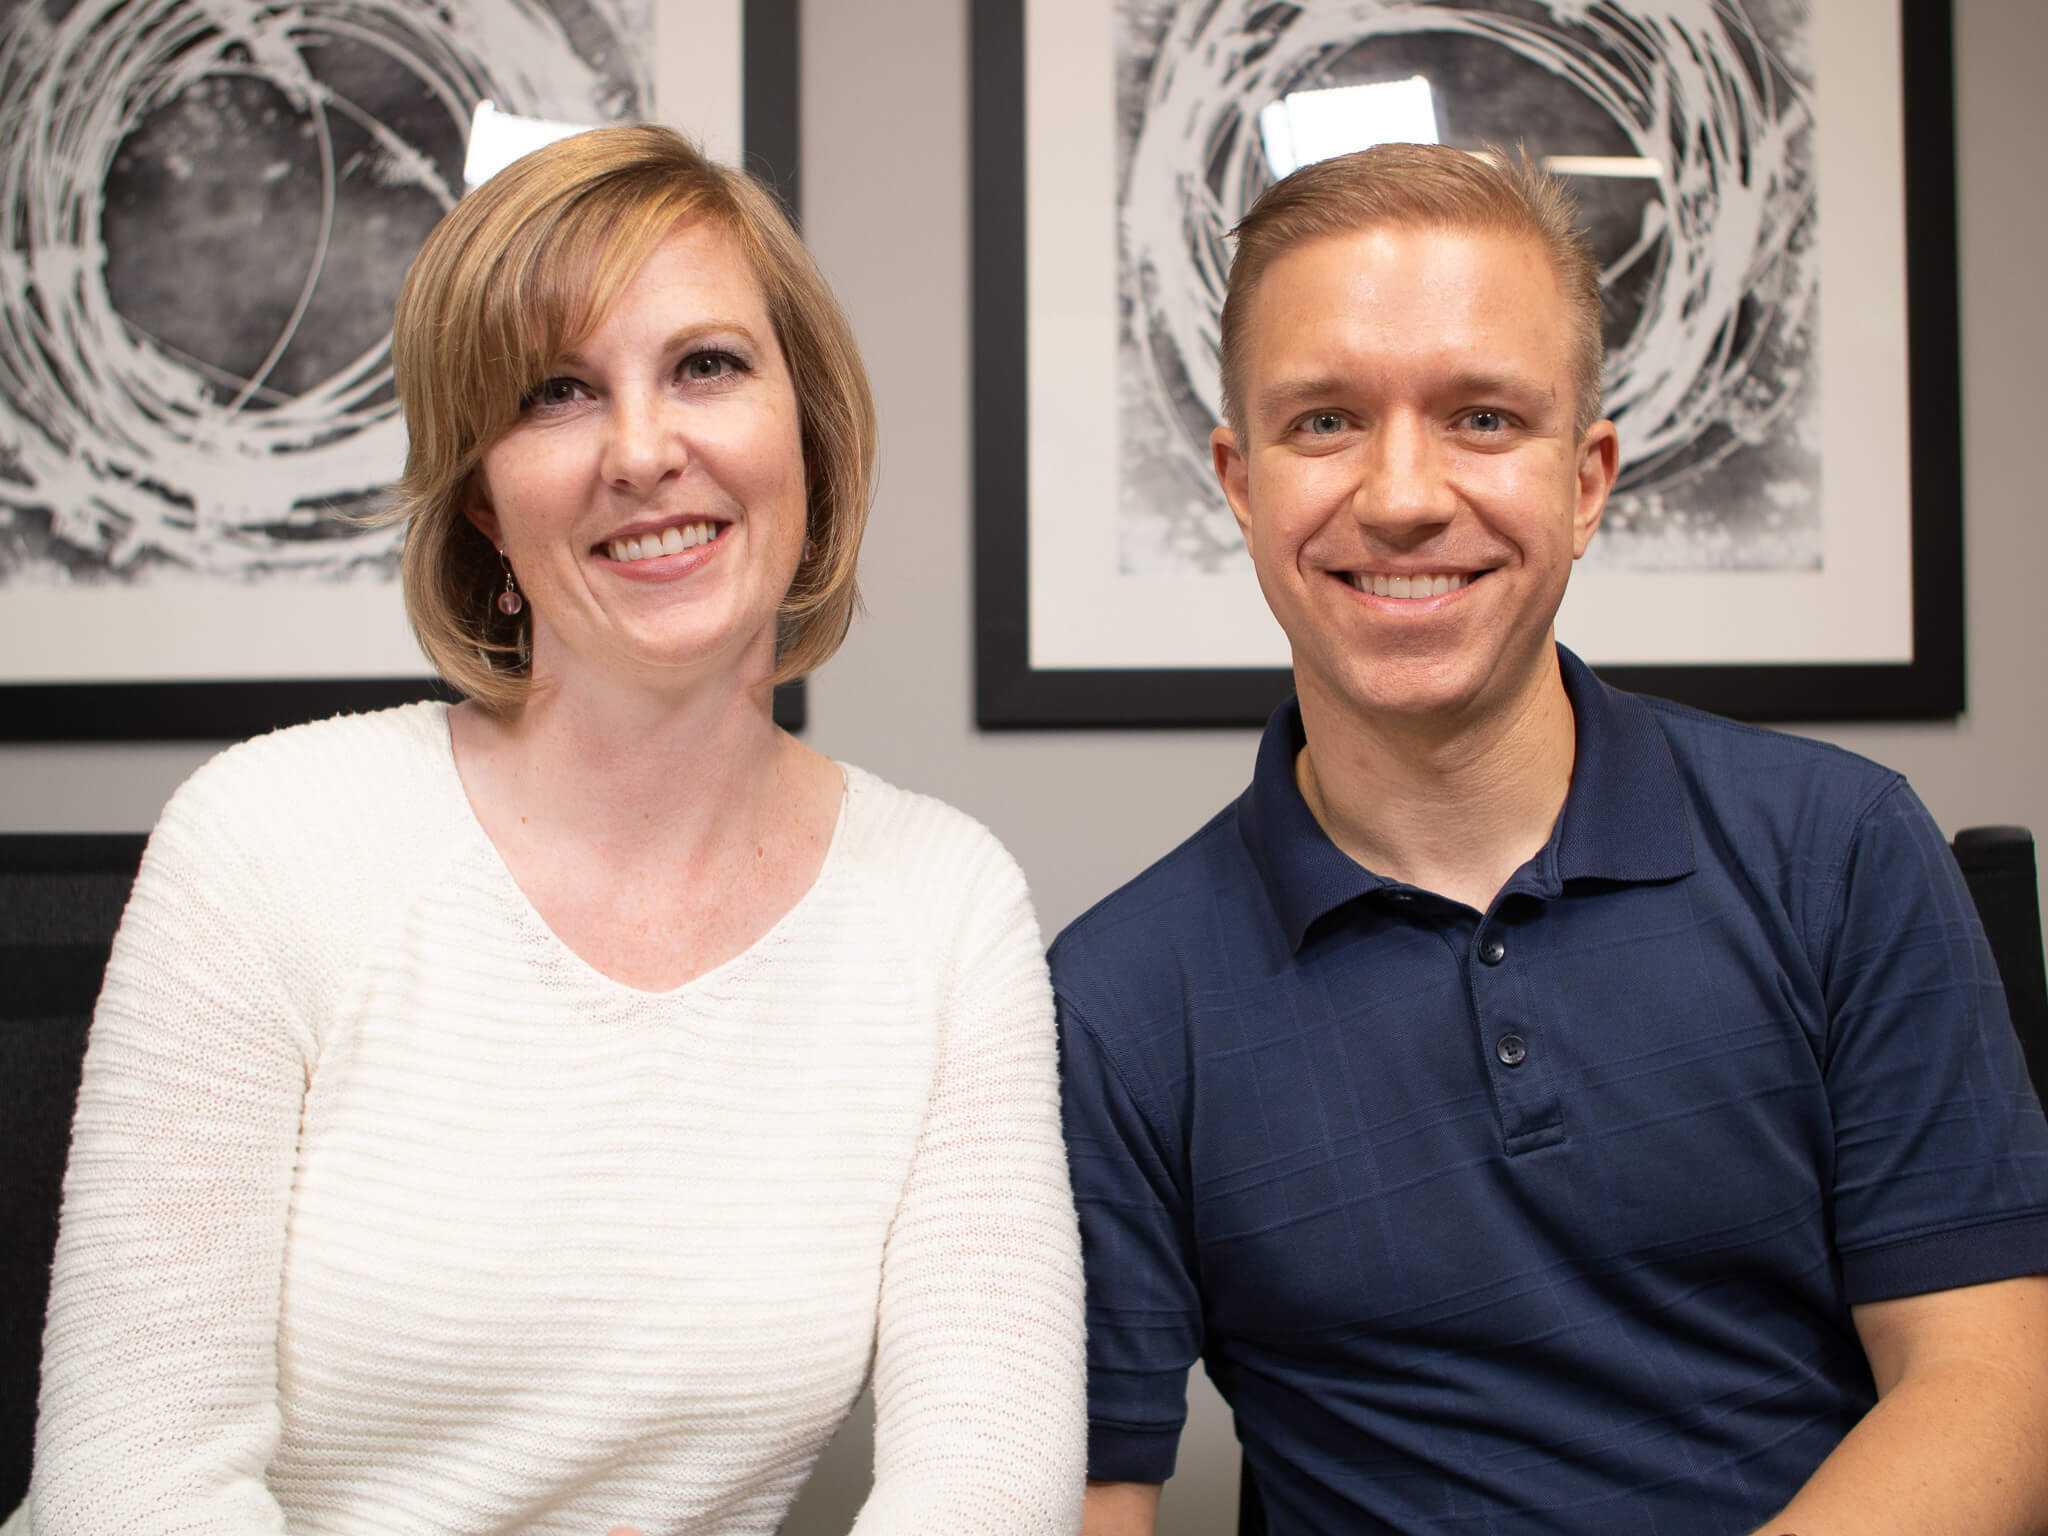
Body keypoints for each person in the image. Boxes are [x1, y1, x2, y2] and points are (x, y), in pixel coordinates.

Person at [29, 124, 1085, 1535]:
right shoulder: (267, 837)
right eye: (557, 393)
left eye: (706, 366)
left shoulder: (946, 905)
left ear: (806, 436)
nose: (646, 452)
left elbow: (987, 1478)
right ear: (483, 496)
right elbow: (131, 1487)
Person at [1053, 143, 2048, 1536]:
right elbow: (1090, 1501)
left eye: (1481, 418)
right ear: (1240, 480)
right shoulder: (1113, 1004)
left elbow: (1991, 1386)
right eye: (1326, 421)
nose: (1401, 495)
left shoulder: (1844, 853)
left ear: (1586, 482)